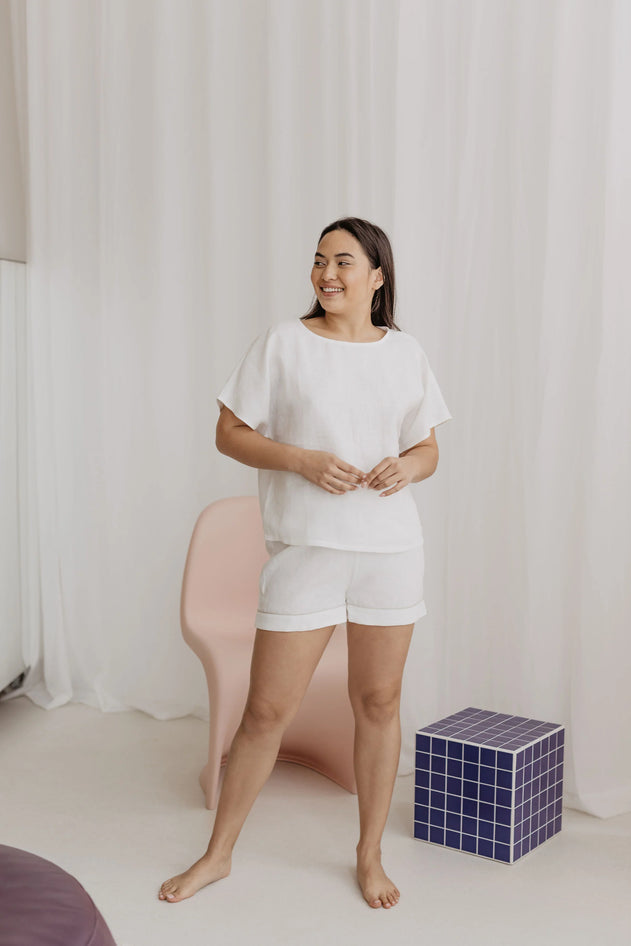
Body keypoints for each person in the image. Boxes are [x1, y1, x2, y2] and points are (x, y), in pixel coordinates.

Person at [159, 216, 452, 909]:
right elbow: (228, 433)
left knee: (378, 703)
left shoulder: (404, 352)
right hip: (306, 553)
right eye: (319, 260)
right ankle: (218, 855)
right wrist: (301, 460)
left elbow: (429, 450)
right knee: (265, 712)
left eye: (344, 262)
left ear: (377, 277)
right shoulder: (284, 344)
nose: (326, 274)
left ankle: (368, 855)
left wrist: (403, 467)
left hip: (388, 552)